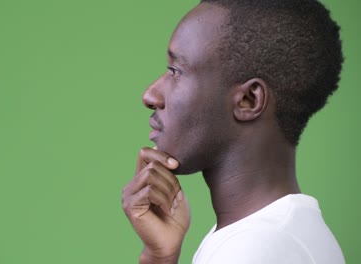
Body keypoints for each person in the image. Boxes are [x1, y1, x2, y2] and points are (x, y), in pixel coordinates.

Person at [121, 0, 345, 263]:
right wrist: (159, 256)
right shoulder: (272, 235)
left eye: (175, 71)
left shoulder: (253, 250)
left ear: (248, 100)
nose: (150, 95)